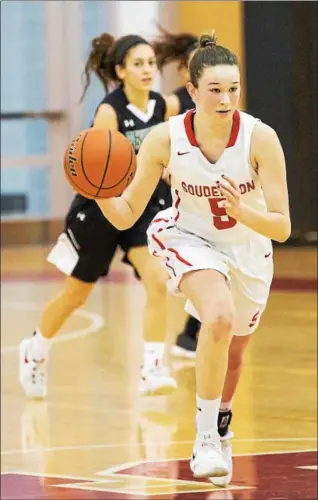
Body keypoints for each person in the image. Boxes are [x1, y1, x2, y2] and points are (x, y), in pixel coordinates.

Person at [95, 31, 291, 482]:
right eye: (215, 90)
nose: (226, 99)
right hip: (187, 238)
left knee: (235, 354)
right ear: (193, 90)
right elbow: (126, 216)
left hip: (249, 249)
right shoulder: (166, 140)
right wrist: (99, 192)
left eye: (233, 89)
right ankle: (203, 438)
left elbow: (281, 225)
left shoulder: (261, 139)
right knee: (217, 316)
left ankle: (221, 423)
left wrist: (244, 211)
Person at [19, 32, 187, 401]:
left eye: (150, 64)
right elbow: (100, 173)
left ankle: (152, 367)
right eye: (138, 64)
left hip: (142, 207)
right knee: (76, 295)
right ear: (121, 71)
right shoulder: (109, 111)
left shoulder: (162, 106)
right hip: (102, 208)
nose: (147, 70)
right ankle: (36, 349)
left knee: (156, 279)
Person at [154, 27, 200, 359]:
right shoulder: (174, 101)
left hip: (202, 189)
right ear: (184, 68)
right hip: (174, 190)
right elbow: (152, 139)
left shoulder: (210, 97)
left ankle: (190, 337)